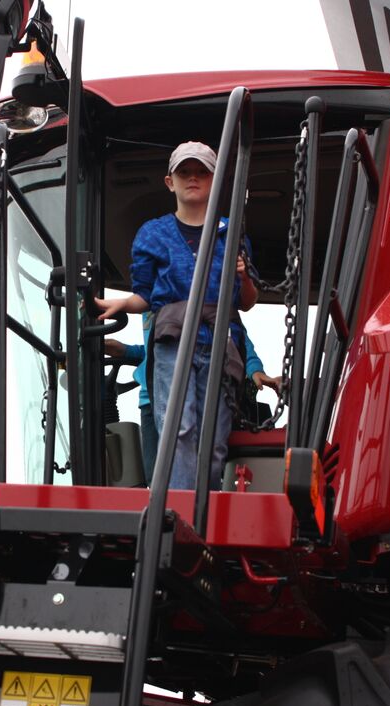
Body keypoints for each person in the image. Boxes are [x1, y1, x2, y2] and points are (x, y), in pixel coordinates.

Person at [94, 141, 258, 490]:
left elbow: (246, 302)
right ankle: (179, 510)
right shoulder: (152, 234)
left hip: (219, 343)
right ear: (170, 182)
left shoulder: (233, 234)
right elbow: (145, 295)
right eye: (185, 172)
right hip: (173, 342)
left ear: (216, 181)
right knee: (178, 428)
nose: (193, 178)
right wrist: (121, 304)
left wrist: (243, 277)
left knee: (214, 438)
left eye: (202, 172)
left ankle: (203, 508)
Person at [105, 327, 279, 486]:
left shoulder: (194, 300)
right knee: (155, 473)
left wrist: (255, 369)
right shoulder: (155, 305)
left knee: (194, 470)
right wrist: (126, 350)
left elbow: (234, 335)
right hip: (150, 400)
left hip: (191, 398)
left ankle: (196, 512)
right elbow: (160, 347)